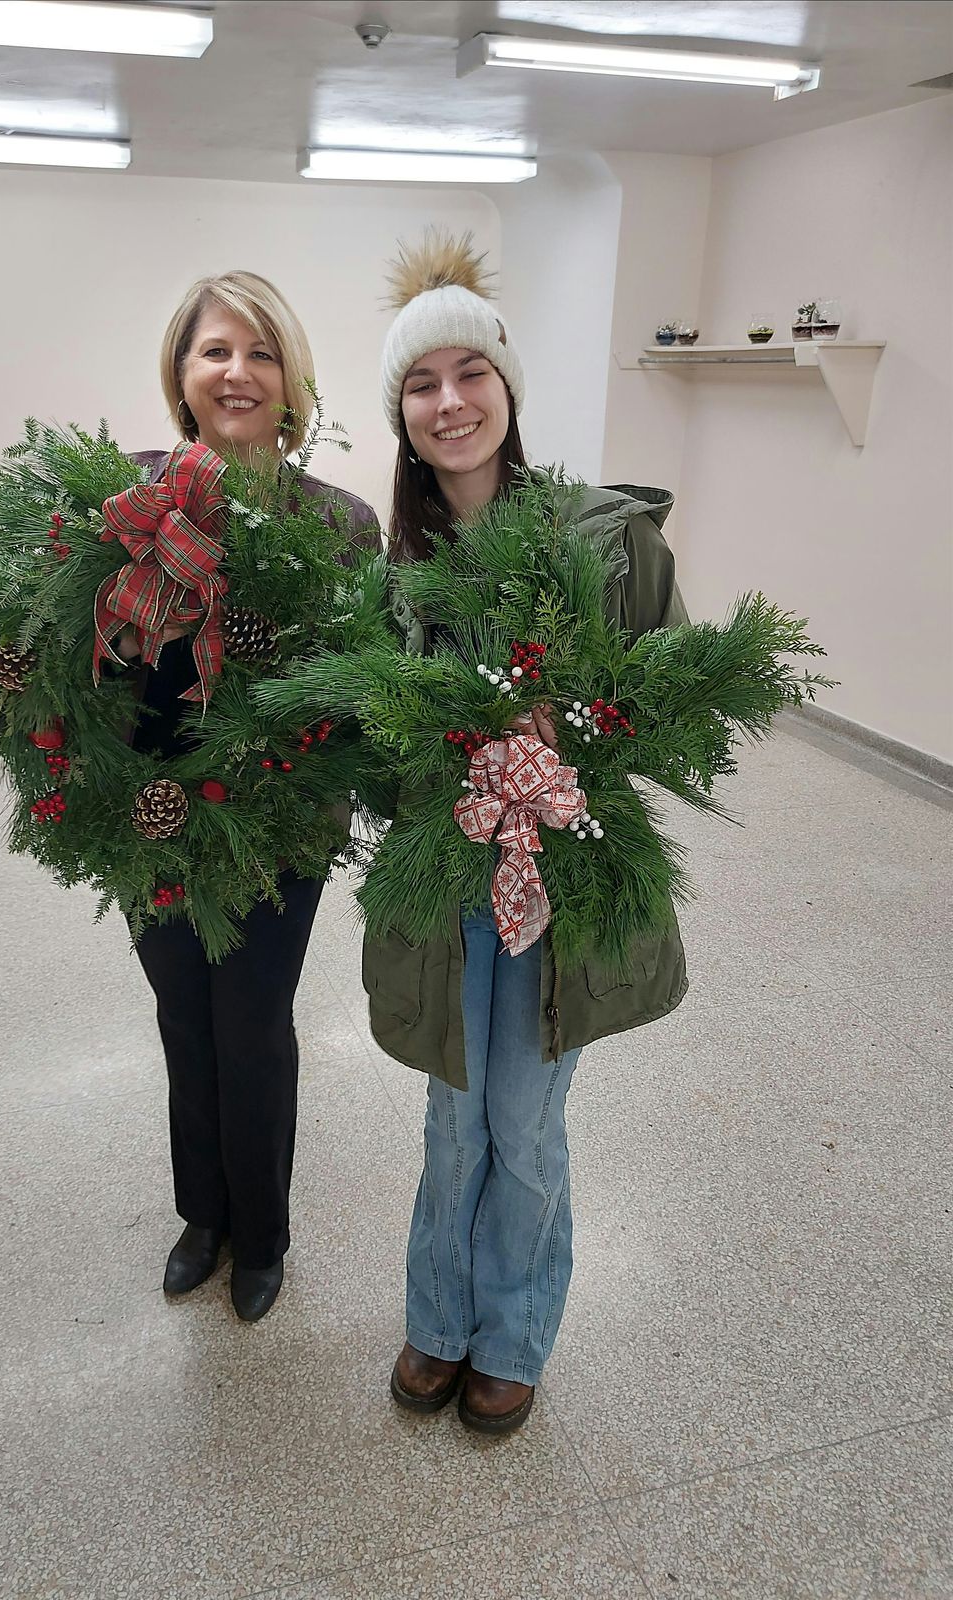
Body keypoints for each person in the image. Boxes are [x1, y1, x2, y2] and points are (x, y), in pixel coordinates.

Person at [365, 233, 689, 1431]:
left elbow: (680, 705)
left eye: (470, 374)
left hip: (561, 884)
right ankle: (438, 1319)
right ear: (401, 415)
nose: (449, 403)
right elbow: (364, 737)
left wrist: (580, 736)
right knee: (454, 1114)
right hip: (448, 886)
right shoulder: (395, 574)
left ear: (507, 385)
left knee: (524, 1114)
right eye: (419, 383)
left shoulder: (599, 543)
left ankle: (512, 1331)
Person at [120, 271, 379, 1322]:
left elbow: (359, 692)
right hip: (148, 820)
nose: (238, 372)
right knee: (182, 1016)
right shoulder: (128, 497)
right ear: (183, 375)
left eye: (261, 353)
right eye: (216, 351)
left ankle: (262, 1231)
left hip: (279, 829)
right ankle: (204, 1215)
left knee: (254, 1024)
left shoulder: (339, 523)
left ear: (292, 380)